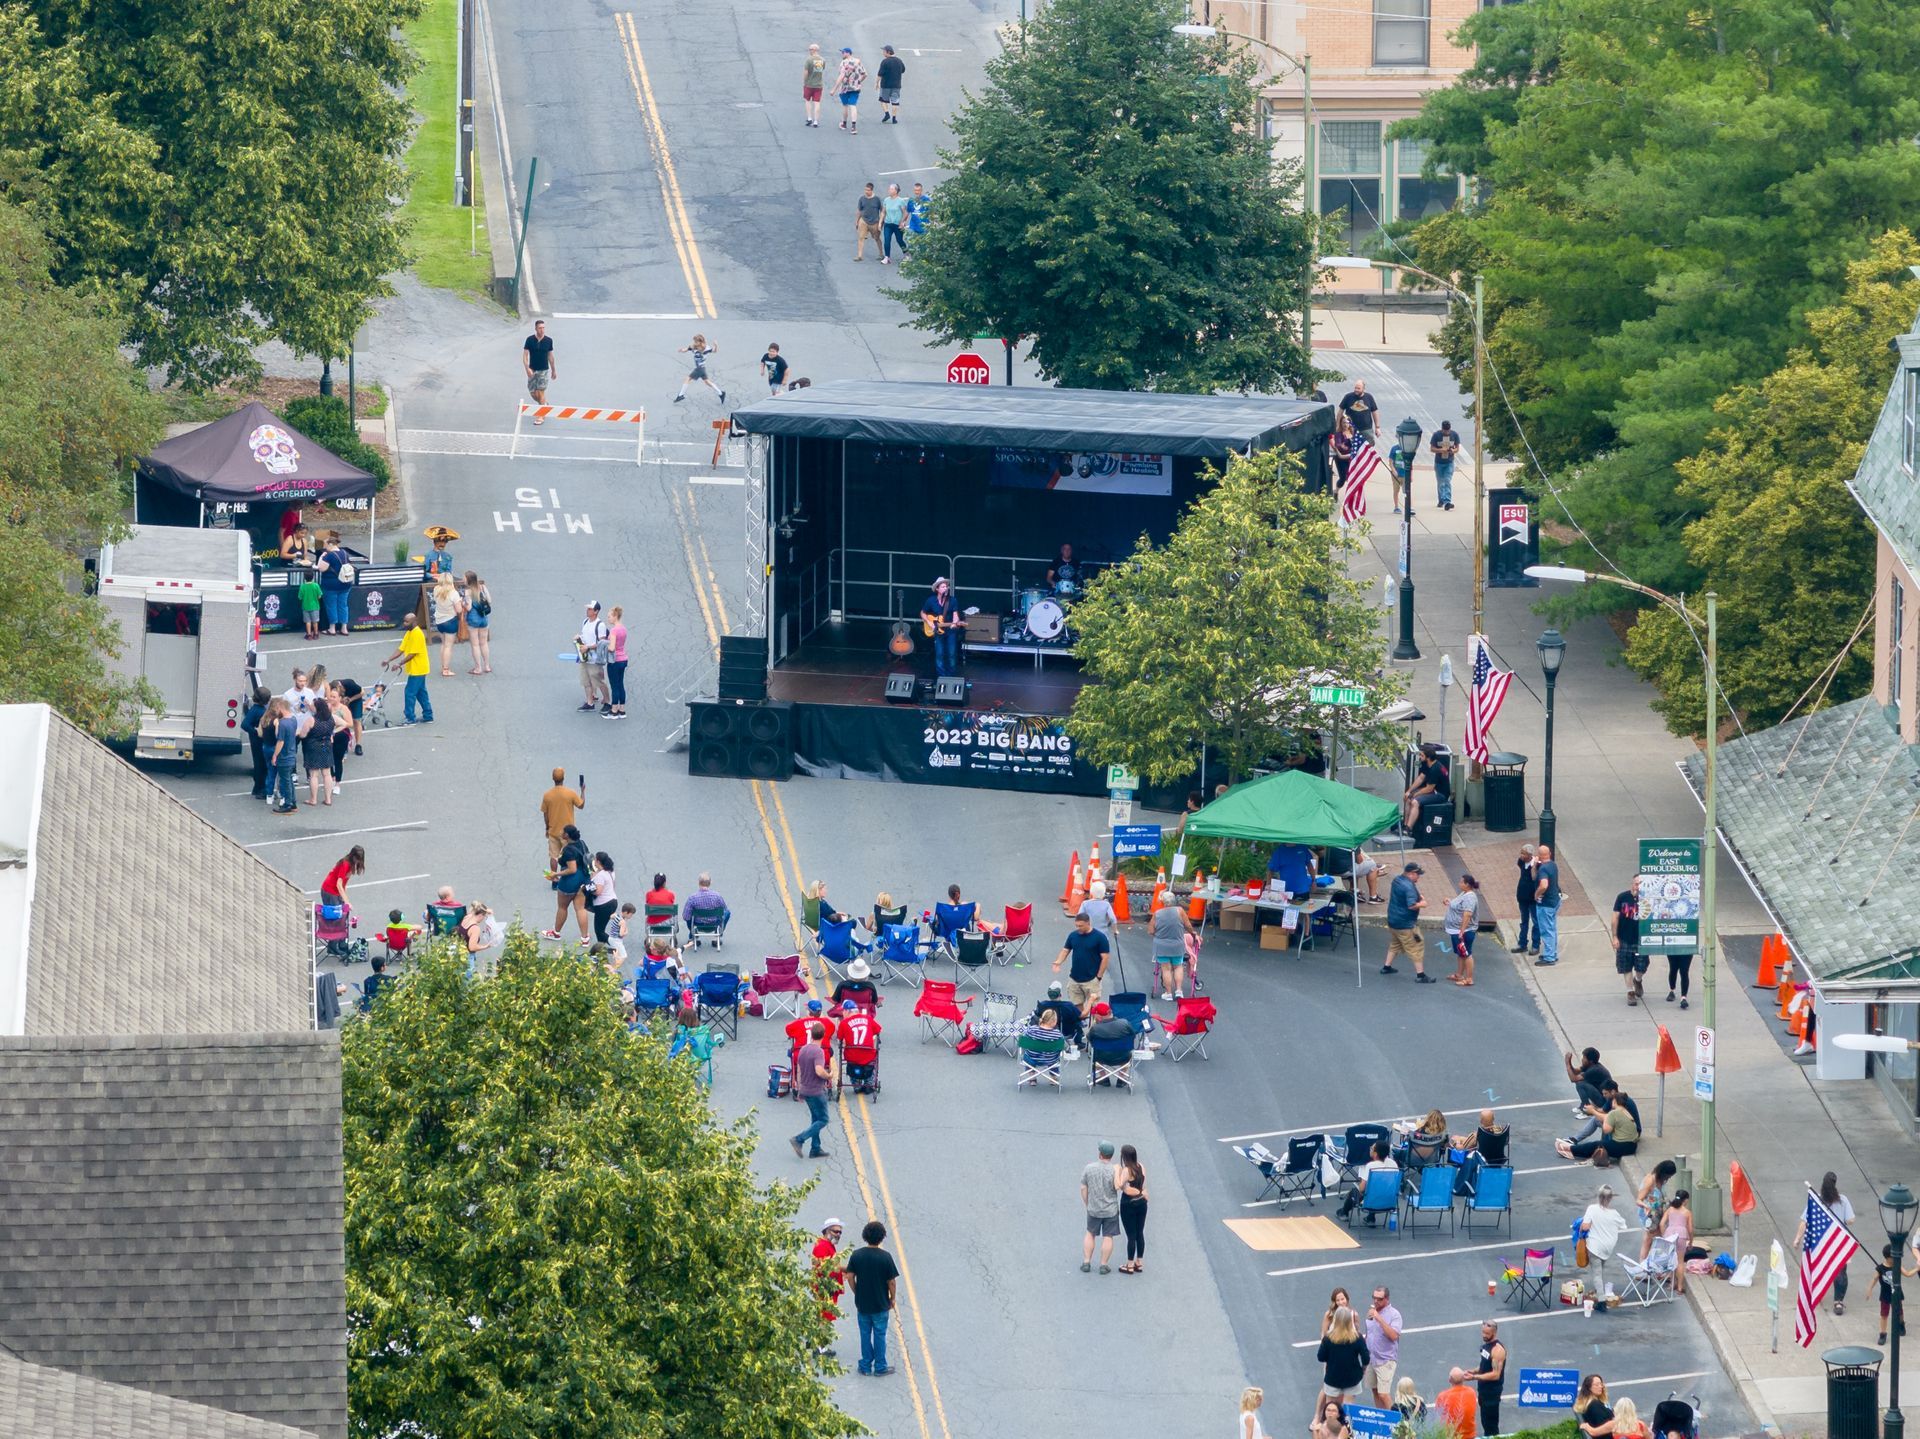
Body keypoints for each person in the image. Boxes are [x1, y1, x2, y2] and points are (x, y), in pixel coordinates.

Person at [1795, 1172, 1856, 1314]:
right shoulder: (1843, 1200)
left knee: (1818, 1268)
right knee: (1841, 1272)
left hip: (1820, 1242)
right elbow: (1851, 1220)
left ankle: (1816, 1295)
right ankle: (1838, 1302)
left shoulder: (1817, 1201)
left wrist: (1798, 1238)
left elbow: (1805, 1221)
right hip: (1839, 1242)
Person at [846, 1220, 898, 1376]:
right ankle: (880, 1366)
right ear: (882, 1237)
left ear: (865, 1236)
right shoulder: (885, 1257)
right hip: (880, 1303)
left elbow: (850, 1277)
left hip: (863, 1304)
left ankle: (865, 1365)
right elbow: (891, 1282)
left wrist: (857, 1292)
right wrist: (892, 1298)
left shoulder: (857, 1255)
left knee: (865, 1334)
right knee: (880, 1334)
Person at [1313, 1306, 1368, 1420]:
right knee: (1348, 1409)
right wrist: (1363, 1369)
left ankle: (1330, 1430)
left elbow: (1320, 1357)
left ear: (1335, 1320)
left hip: (1332, 1377)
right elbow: (1366, 1358)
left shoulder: (1328, 1338)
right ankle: (1346, 1431)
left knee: (1331, 1408)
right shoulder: (1357, 1337)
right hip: (1352, 1378)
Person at [1558, 1089, 1640, 1165]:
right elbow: (1608, 1117)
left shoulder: (1614, 1113)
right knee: (1601, 1143)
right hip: (1632, 1146)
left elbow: (1606, 1130)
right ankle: (1572, 1148)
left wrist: (1603, 1119)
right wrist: (1601, 1116)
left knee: (1595, 1144)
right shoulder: (1625, 1112)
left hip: (1621, 1146)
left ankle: (1570, 1149)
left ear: (1614, 1101)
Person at [790, 1021, 834, 1158]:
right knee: (824, 1119)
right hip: (816, 1091)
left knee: (815, 1119)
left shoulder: (803, 1049)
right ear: (823, 1035)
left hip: (805, 1089)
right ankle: (799, 1139)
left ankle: (815, 1148)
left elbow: (798, 1069)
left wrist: (798, 1087)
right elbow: (819, 1070)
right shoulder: (818, 1052)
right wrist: (829, 1076)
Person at [1053, 911, 1110, 1013]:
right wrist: (1058, 962)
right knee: (1076, 1004)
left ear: (1088, 923)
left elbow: (1105, 958)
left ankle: (1093, 1026)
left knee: (1094, 1007)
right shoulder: (1073, 936)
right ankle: (1080, 1023)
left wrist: (1099, 977)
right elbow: (1066, 950)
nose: (1078, 928)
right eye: (1077, 925)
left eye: (1081, 926)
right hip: (1074, 978)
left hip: (1092, 979)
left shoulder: (1100, 937)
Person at [382, 614, 433, 724]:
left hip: (418, 669)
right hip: (416, 669)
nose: (404, 624)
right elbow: (401, 649)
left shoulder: (418, 634)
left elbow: (412, 654)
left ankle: (410, 717)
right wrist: (389, 660)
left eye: (407, 622)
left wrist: (399, 664)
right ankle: (428, 715)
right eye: (404, 621)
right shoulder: (409, 633)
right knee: (421, 692)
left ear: (414, 622)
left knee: (409, 692)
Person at [1080, 1140, 1122, 1273]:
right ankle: (1103, 1265)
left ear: (1100, 1154)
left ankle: (1086, 1262)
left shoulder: (1089, 1168)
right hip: (1110, 1210)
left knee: (1090, 1233)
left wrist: (1087, 1203)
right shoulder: (1114, 1170)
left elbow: (1083, 1188)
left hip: (1094, 1208)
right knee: (1108, 1236)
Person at [545, 824, 591, 944]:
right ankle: (585, 938)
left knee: (562, 907)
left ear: (567, 835)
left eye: (563, 831)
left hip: (570, 881)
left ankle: (556, 932)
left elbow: (572, 869)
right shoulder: (582, 843)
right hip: (584, 879)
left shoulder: (568, 850)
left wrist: (556, 874)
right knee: (580, 909)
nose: (561, 832)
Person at [1579, 1185, 1631, 1291]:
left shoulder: (1592, 1209)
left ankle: (1601, 1300)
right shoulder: (1614, 1214)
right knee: (1600, 1270)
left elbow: (1585, 1226)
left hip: (1594, 1247)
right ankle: (1599, 1290)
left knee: (1596, 1274)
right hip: (1607, 1248)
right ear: (1610, 1198)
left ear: (1598, 1197)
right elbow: (1623, 1226)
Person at [1384, 862, 1430, 981]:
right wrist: (1422, 904)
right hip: (1405, 924)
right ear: (1411, 874)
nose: (1418, 877)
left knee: (1395, 943)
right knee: (1416, 946)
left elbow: (1404, 895)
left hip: (1393, 920)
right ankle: (1421, 975)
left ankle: (1386, 967)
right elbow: (1411, 906)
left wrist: (1417, 896)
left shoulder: (1397, 880)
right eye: (1417, 875)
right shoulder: (1409, 887)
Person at [1336, 1140, 1399, 1224]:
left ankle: (1344, 1212)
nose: (1370, 1149)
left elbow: (1362, 1189)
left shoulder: (1371, 1166)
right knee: (1377, 1189)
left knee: (1356, 1192)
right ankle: (1370, 1218)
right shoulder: (1393, 1164)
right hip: (1389, 1201)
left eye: (1372, 1148)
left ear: (1375, 1154)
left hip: (1372, 1202)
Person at [1363, 1284, 1402, 1407]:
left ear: (1387, 1299)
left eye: (1379, 1299)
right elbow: (1369, 1334)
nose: (1376, 1301)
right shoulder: (1371, 1314)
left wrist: (1379, 1318)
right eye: (1374, 1297)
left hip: (1386, 1360)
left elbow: (1394, 1336)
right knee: (1374, 1390)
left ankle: (1395, 1422)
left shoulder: (1394, 1315)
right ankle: (1381, 1418)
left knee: (1383, 1394)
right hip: (1372, 1359)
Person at [810, 1218, 845, 1355]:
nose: (838, 1234)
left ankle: (817, 1343)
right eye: (836, 1231)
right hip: (824, 1288)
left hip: (827, 1288)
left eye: (840, 1232)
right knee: (824, 1318)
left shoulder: (827, 1244)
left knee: (824, 1317)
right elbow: (825, 1269)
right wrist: (845, 1269)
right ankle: (821, 1348)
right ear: (826, 1230)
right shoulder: (822, 1246)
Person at [1468, 1318, 1507, 1436]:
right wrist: (1473, 1372)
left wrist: (1475, 1377)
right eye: (1483, 1332)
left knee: (1491, 1425)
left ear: (1494, 1333)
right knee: (1485, 1421)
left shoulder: (1497, 1350)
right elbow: (1484, 1366)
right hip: (1483, 1390)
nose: (1484, 1335)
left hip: (1492, 1393)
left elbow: (1496, 1374)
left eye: (1487, 1334)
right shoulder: (1486, 1346)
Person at [1151, 894, 1194, 999]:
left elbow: (1151, 930)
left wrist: (1159, 935)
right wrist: (1193, 933)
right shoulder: (1180, 911)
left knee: (1165, 969)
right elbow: (1188, 925)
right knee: (1178, 966)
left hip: (1161, 946)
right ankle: (1179, 991)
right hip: (1177, 945)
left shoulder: (1157, 914)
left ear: (1163, 902)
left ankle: (1168, 993)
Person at [1612, 880, 1648, 1005]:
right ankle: (1630, 992)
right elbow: (1615, 917)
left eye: (1641, 884)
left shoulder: (1648, 899)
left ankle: (1638, 980)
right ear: (1632, 884)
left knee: (1642, 966)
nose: (1638, 887)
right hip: (1624, 938)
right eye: (1636, 884)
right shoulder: (1622, 897)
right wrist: (1615, 937)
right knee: (1626, 966)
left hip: (1641, 940)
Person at [539, 768, 584, 864]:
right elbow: (581, 805)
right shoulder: (570, 793)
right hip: (568, 833)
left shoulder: (547, 795)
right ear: (563, 778)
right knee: (569, 855)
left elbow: (545, 815)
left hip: (553, 831)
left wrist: (547, 828)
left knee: (553, 857)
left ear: (552, 778)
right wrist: (582, 791)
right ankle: (567, 875)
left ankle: (554, 877)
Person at [920, 575, 962, 677]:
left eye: (946, 586)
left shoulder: (952, 600)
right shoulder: (931, 600)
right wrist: (929, 622)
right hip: (938, 632)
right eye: (943, 587)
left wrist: (955, 623)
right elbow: (923, 613)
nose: (945, 588)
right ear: (937, 589)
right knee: (939, 654)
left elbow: (955, 616)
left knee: (951, 655)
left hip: (950, 632)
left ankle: (951, 677)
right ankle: (941, 677)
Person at [1445, 874, 1483, 984]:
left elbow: (1467, 914)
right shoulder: (1464, 893)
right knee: (1461, 953)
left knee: (1466, 954)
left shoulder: (1470, 897)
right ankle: (1459, 975)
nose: (1459, 883)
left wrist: (1462, 930)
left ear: (1467, 884)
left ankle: (1469, 979)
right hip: (1456, 930)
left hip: (1464, 931)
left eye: (1461, 882)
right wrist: (1450, 902)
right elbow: (1459, 906)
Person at [1402, 745, 1451, 831]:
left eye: (1422, 755)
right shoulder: (1428, 764)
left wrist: (1415, 794)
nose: (1420, 757)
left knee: (1415, 802)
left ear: (1428, 757)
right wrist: (1409, 791)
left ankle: (1409, 829)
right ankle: (1405, 824)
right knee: (1408, 798)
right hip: (1433, 791)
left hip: (1440, 795)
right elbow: (1421, 778)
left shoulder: (1435, 769)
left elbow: (1429, 789)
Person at [1635, 1159, 1677, 1258]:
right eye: (1668, 1176)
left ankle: (1649, 1263)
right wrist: (1646, 1206)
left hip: (1658, 1213)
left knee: (1654, 1240)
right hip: (1650, 1215)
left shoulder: (1661, 1181)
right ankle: (1643, 1264)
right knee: (1648, 1240)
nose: (1669, 1178)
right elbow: (1639, 1200)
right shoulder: (1650, 1180)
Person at [1117, 1143, 1148, 1273]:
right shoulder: (1141, 1166)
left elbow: (1118, 1185)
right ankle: (1139, 1262)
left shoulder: (1127, 1170)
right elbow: (1143, 1184)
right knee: (1140, 1232)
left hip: (1128, 1205)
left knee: (1131, 1235)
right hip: (1141, 1203)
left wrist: (1117, 1172)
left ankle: (1129, 1264)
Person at [576, 600, 611, 714]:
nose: (588, 610)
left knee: (599, 681)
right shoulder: (585, 621)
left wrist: (588, 647)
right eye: (588, 608)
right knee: (586, 682)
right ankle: (589, 703)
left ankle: (607, 702)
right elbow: (585, 637)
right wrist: (579, 640)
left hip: (595, 660)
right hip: (584, 658)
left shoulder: (600, 625)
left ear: (596, 611)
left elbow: (602, 643)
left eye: (590, 609)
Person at [302, 691, 336, 805]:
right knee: (327, 774)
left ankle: (313, 799)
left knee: (314, 774)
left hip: (313, 746)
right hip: (326, 745)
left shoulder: (312, 720)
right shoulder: (330, 718)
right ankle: (328, 799)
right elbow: (344, 723)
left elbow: (303, 734)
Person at [267, 699, 301, 812]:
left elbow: (280, 741)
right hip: (291, 754)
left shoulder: (282, 723)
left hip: (284, 756)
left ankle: (288, 804)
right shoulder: (293, 720)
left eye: (277, 709)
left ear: (281, 708)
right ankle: (292, 802)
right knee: (289, 780)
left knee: (285, 781)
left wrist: (275, 755)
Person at [1033, 980, 1084, 1053]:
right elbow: (1081, 1016)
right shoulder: (1069, 1006)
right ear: (1060, 995)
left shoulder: (1042, 1005)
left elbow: (1036, 1015)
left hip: (1047, 1029)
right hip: (1067, 1032)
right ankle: (1078, 1042)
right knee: (1078, 1022)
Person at [429, 573, 465, 677]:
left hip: (439, 621)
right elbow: (458, 610)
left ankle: (443, 666)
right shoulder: (454, 593)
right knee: (449, 646)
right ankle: (446, 669)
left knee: (443, 644)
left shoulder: (436, 590)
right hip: (450, 621)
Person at [673, 334, 725, 406]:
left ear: (700, 342)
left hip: (700, 368)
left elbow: (714, 351)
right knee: (707, 382)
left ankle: (681, 395)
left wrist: (716, 345)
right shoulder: (694, 346)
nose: (694, 342)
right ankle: (721, 393)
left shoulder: (706, 348)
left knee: (688, 379)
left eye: (696, 341)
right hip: (702, 369)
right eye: (694, 341)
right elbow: (687, 349)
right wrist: (682, 350)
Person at [1533, 843, 1563, 965]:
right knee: (1552, 928)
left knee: (1547, 930)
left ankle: (1549, 957)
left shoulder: (1543, 869)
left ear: (1539, 856)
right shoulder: (1552, 865)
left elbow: (1544, 885)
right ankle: (1551, 953)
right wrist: (1535, 866)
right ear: (1549, 854)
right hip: (1555, 900)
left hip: (1546, 903)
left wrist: (1536, 894)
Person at [1661, 1190, 1695, 1293]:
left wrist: (1664, 1236)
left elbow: (1662, 1224)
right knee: (1680, 1262)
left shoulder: (1670, 1210)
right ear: (1685, 1200)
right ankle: (1680, 1287)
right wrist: (1691, 1241)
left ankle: (1672, 1284)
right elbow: (1690, 1229)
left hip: (1669, 1235)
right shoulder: (1687, 1212)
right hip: (1681, 1236)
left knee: (1671, 1260)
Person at [1565, 1046, 1614, 1114]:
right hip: (1601, 1095)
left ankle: (1587, 1110)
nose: (1582, 1059)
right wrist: (1569, 1063)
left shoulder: (1595, 1070)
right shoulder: (1590, 1065)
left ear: (1590, 1061)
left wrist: (1567, 1063)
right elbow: (1576, 1072)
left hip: (1605, 1101)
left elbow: (1573, 1079)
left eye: (1584, 1058)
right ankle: (1583, 1106)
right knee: (1582, 1080)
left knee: (1580, 1084)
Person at [463, 572, 493, 675]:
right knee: (484, 643)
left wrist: (464, 603)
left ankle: (478, 668)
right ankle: (487, 666)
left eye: (464, 578)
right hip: (483, 618)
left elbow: (469, 607)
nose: (463, 579)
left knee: (475, 645)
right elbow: (489, 600)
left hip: (473, 619)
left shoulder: (468, 591)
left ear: (468, 580)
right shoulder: (482, 587)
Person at [242, 686, 271, 797]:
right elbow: (244, 724)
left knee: (259, 763)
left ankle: (257, 788)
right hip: (258, 741)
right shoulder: (257, 711)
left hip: (256, 740)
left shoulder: (255, 709)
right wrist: (255, 732)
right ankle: (260, 788)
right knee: (261, 764)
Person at [523, 320, 554, 419]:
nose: (542, 330)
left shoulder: (548, 340)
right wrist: (527, 368)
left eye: (543, 328)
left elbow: (550, 356)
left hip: (543, 370)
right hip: (532, 369)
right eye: (540, 328)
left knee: (540, 392)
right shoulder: (530, 340)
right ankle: (544, 404)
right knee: (533, 393)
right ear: (536, 328)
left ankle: (541, 415)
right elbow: (525, 355)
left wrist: (554, 370)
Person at [587, 852, 619, 947]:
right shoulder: (610, 872)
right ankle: (601, 950)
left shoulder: (601, 875)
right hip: (612, 901)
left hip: (603, 905)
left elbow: (598, 892)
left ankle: (615, 945)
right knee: (601, 929)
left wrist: (587, 889)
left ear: (598, 861)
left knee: (599, 931)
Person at [326, 683, 355, 786]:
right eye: (330, 696)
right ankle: (332, 777)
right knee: (328, 759)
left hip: (340, 736)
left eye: (334, 697)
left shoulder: (343, 709)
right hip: (328, 735)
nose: (331, 698)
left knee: (337, 759)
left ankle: (337, 783)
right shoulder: (327, 706)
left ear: (340, 698)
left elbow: (350, 724)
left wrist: (338, 726)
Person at [1434, 1370, 1476, 1439]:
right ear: (1463, 1379)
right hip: (1469, 1435)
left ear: (1450, 1380)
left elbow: (1438, 1416)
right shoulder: (1471, 1392)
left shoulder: (1443, 1396)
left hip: (1451, 1436)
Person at [1514, 843, 1539, 955]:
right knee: (1524, 921)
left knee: (1535, 922)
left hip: (1532, 898)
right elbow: (1520, 865)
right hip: (1522, 897)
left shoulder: (1536, 865)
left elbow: (1534, 878)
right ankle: (1522, 943)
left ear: (1529, 855)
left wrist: (1533, 867)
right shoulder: (1521, 861)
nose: (1521, 855)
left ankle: (1535, 945)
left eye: (1523, 853)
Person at [833, 47, 865, 133]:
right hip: (855, 87)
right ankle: (853, 126)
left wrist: (834, 89)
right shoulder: (858, 61)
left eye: (843, 52)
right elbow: (864, 74)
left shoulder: (844, 63)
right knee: (853, 105)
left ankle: (844, 123)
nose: (842, 54)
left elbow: (841, 76)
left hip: (845, 87)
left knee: (845, 105)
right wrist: (858, 81)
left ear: (848, 53)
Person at [1431, 420, 1461, 510]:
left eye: (1448, 431)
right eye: (1445, 431)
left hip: (1449, 462)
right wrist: (1441, 450)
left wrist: (1453, 451)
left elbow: (1457, 448)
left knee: (1447, 480)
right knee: (1440, 482)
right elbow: (1432, 448)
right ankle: (1441, 500)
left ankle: (1447, 501)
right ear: (1442, 429)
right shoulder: (1436, 435)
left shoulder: (1454, 435)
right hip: (1439, 462)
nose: (1446, 432)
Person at [879, 183, 909, 265]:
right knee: (887, 240)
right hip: (888, 224)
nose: (889, 190)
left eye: (891, 189)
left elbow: (905, 213)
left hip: (897, 224)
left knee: (899, 240)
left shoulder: (900, 201)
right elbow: (883, 212)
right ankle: (887, 257)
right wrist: (880, 222)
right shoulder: (886, 200)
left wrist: (902, 222)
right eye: (889, 189)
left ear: (896, 191)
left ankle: (906, 254)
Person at [875, 44, 904, 123]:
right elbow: (903, 70)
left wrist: (876, 83)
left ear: (888, 52)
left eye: (884, 51)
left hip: (885, 85)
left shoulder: (885, 62)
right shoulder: (899, 61)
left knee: (883, 100)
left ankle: (887, 113)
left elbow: (880, 74)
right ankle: (894, 119)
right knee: (895, 102)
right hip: (896, 85)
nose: (883, 53)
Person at [1387, 434, 1414, 515]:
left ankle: (1410, 507)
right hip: (1396, 474)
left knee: (1407, 491)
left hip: (1405, 474)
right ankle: (1396, 507)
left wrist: (1411, 475)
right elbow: (1390, 462)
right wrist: (1393, 470)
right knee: (1396, 490)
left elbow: (1410, 464)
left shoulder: (1408, 449)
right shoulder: (1394, 449)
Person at [855, 182, 883, 260]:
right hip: (863, 221)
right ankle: (859, 256)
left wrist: (881, 222)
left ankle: (881, 254)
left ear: (871, 190)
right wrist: (857, 221)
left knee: (877, 238)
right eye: (865, 190)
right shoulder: (862, 198)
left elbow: (882, 211)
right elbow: (859, 210)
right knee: (861, 238)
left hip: (874, 222)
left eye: (868, 190)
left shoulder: (877, 199)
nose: (866, 191)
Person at [801, 43, 827, 127]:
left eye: (810, 49)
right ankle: (816, 121)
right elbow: (822, 69)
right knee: (817, 102)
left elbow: (806, 72)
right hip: (818, 85)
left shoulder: (809, 60)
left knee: (808, 101)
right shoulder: (822, 60)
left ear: (815, 50)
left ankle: (809, 118)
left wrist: (804, 81)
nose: (809, 51)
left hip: (809, 84)